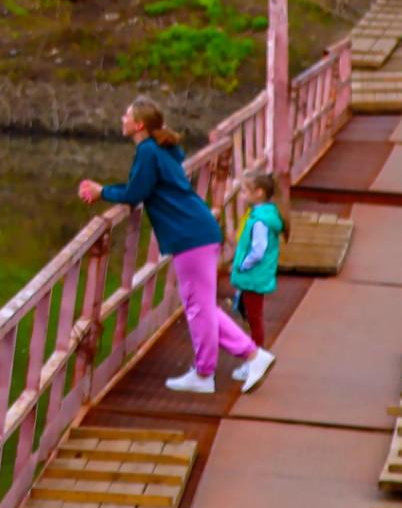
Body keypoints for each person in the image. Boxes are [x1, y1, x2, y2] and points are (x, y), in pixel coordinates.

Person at [86, 101, 273, 395]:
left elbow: (136, 192)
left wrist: (102, 192)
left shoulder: (147, 150)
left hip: (191, 236)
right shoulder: (160, 150)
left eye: (127, 114)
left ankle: (204, 373)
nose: (121, 117)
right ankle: (252, 355)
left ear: (138, 125)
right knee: (202, 306)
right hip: (197, 231)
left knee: (198, 307)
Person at [227, 170, 284, 344]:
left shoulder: (260, 221)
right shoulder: (262, 215)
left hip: (253, 277)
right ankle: (254, 351)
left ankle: (256, 354)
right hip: (255, 276)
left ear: (258, 193)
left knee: (254, 318)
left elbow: (258, 250)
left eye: (244, 191)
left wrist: (243, 265)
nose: (242, 196)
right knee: (251, 314)